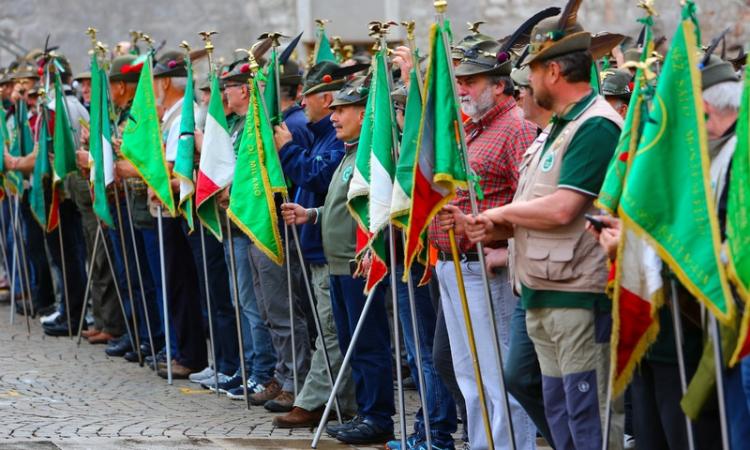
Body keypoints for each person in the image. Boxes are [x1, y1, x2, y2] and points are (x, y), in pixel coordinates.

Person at [453, 14, 626, 450]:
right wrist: (494, 225)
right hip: (544, 288)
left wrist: (499, 215)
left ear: (553, 71)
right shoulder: (558, 128)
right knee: (560, 412)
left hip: (578, 293)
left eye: (530, 70)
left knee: (588, 418)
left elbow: (564, 207)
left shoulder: (596, 125)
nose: (522, 82)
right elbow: (538, 203)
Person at [431, 37, 538, 450]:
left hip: (483, 268)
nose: (462, 88)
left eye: (472, 81)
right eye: (460, 80)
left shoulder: (516, 128)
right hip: (453, 265)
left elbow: (530, 201)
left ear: (499, 85)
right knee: (470, 377)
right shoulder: (471, 128)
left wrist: (507, 250)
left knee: (498, 379)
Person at [282, 76, 396, 445]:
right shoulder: (350, 153)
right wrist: (310, 214)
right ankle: (363, 411)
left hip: (358, 264)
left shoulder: (371, 154)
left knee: (368, 344)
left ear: (365, 114)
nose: (333, 117)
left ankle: (377, 417)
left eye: (342, 109)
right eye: (333, 110)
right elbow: (341, 207)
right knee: (350, 344)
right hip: (337, 263)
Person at [272, 60, 361, 427]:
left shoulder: (333, 138)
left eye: (309, 97)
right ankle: (340, 400)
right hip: (317, 242)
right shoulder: (324, 133)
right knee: (328, 327)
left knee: (330, 330)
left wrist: (289, 150)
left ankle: (314, 400)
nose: (301, 103)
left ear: (326, 98)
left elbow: (318, 174)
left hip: (334, 251)